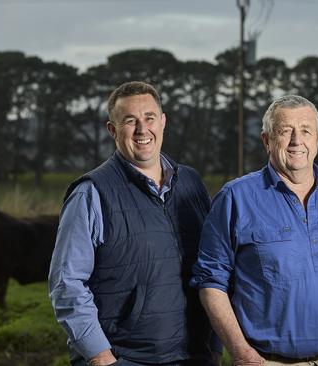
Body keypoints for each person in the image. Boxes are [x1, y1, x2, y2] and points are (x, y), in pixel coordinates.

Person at [190, 95, 318, 366]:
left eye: (306, 131)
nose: (296, 141)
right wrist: (242, 354)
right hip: (265, 361)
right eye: (285, 131)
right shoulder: (236, 198)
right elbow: (210, 282)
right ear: (266, 140)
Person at [49, 81, 219, 366]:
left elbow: (213, 268)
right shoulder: (91, 193)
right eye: (130, 121)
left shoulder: (191, 184)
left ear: (163, 121)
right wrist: (100, 355)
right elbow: (66, 283)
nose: (142, 130)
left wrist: (214, 345)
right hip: (124, 357)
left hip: (194, 355)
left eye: (149, 118)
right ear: (112, 130)